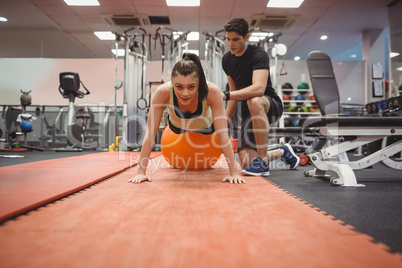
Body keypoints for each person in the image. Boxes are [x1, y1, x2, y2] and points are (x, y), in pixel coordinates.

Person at [128, 53, 245, 184]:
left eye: (191, 87)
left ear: (199, 83)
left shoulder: (211, 91)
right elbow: (150, 133)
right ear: (171, 82)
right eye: (179, 87)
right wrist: (141, 172)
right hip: (177, 128)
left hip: (207, 128)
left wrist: (234, 173)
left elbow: (223, 134)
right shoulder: (162, 92)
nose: (185, 93)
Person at [222, 17, 300, 176]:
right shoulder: (227, 59)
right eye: (228, 39)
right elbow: (233, 93)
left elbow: (259, 88)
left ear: (246, 37)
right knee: (245, 163)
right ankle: (282, 152)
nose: (231, 44)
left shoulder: (258, 55)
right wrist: (223, 123)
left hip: (269, 105)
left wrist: (226, 95)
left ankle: (263, 160)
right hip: (248, 112)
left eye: (235, 39)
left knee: (254, 99)